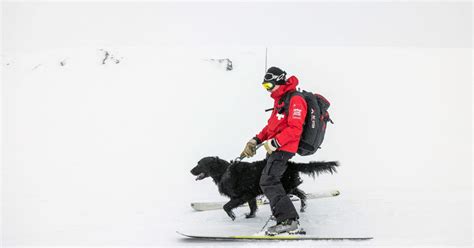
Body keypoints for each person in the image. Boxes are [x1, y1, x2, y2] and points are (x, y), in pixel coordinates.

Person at [240, 66, 307, 235]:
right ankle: (283, 208)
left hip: (284, 148)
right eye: (265, 87)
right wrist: (256, 140)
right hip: (277, 147)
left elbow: (295, 129)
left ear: (279, 81)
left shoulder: (295, 99)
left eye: (269, 86)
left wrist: (276, 143)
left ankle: (288, 221)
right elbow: (272, 126)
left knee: (268, 181)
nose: (267, 90)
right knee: (271, 179)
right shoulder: (281, 100)